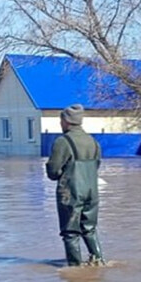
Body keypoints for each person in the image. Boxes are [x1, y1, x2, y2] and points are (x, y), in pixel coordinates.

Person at [45, 103, 105, 267]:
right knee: (90, 229)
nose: (60, 124)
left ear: (66, 121)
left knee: (70, 232)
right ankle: (99, 261)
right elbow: (97, 165)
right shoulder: (93, 142)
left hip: (71, 192)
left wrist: (59, 175)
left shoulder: (63, 142)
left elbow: (53, 170)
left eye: (61, 120)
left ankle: (75, 269)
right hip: (92, 192)